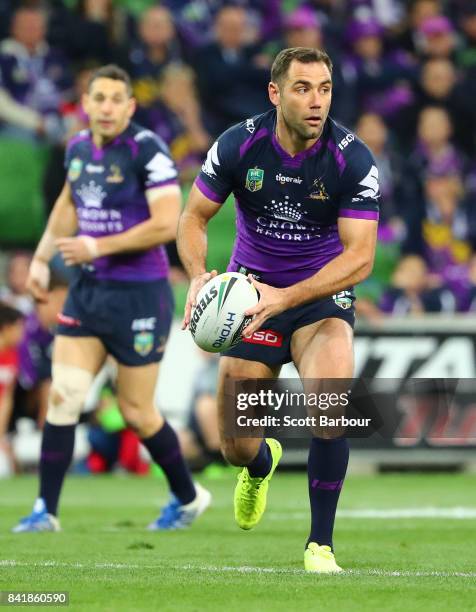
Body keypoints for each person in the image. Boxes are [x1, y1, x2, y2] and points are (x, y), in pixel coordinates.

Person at [178, 47, 379, 573]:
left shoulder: (351, 157)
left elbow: (360, 258)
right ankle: (262, 462)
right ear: (276, 92)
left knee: (330, 405)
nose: (316, 102)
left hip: (319, 298)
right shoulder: (239, 144)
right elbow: (193, 219)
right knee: (235, 449)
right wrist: (200, 275)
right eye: (302, 88)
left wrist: (286, 299)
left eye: (325, 89)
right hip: (250, 298)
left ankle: (321, 546)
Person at [12, 64, 210, 533]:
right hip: (88, 293)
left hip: (139, 298)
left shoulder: (149, 152)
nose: (105, 107)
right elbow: (68, 204)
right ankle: (46, 510)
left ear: (129, 106)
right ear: (85, 104)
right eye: (97, 98)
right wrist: (41, 259)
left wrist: (97, 246)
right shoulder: (78, 148)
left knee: (138, 414)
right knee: (63, 397)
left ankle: (187, 496)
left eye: (114, 99)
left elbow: (166, 224)